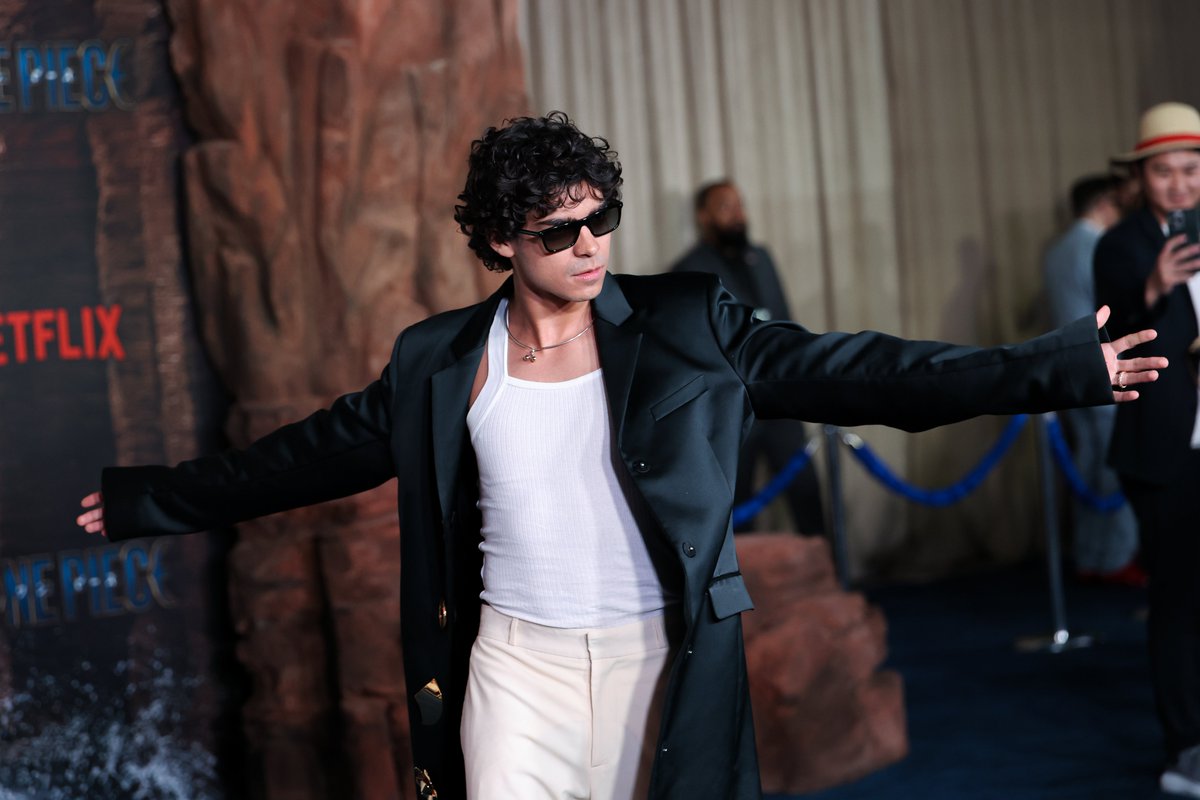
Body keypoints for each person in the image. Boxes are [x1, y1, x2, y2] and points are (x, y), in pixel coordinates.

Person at [77, 111, 1163, 800]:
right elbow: (302, 457)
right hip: (514, 669)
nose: (590, 244)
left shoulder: (693, 325)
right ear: (500, 241)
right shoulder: (440, 361)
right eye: (560, 230)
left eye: (602, 218)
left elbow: (870, 371)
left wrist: (1054, 368)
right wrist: (150, 502)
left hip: (665, 662)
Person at [1094, 101, 1200, 799]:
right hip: (1165, 448)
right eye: (1164, 171)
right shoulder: (1122, 244)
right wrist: (1156, 286)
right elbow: (1115, 327)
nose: (1180, 185)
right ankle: (1187, 747)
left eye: (1191, 170)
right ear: (1141, 176)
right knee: (1181, 600)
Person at [670, 180, 823, 534]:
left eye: (740, 205)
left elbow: (784, 320)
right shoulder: (689, 268)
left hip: (781, 397)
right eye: (726, 206)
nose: (738, 214)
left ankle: (831, 575)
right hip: (733, 409)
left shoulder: (761, 257)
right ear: (703, 216)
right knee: (738, 507)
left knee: (805, 491)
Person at [1043, 174, 1142, 582]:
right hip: (1103, 365)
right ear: (1105, 202)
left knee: (1088, 462)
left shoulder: (1057, 250)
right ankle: (1115, 556)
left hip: (1071, 366)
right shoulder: (1095, 246)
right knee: (1111, 462)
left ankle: (1091, 554)